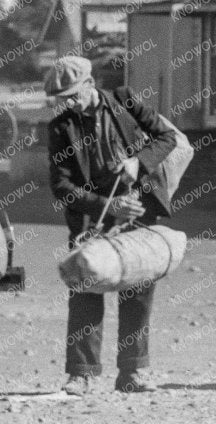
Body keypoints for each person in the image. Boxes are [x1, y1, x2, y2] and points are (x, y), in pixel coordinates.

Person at [44, 54, 181, 393]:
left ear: (90, 84)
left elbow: (167, 137)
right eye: (62, 100)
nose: (69, 105)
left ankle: (132, 373)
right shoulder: (60, 127)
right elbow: (61, 188)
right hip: (92, 216)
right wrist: (109, 205)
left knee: (138, 288)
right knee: (84, 288)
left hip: (137, 208)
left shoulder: (125, 100)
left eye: (73, 95)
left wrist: (139, 162)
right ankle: (81, 374)